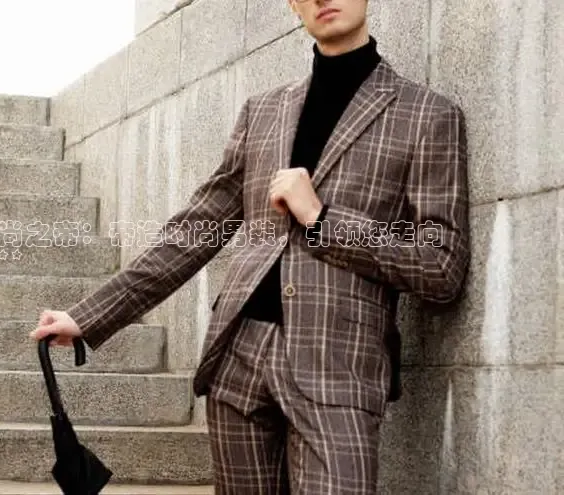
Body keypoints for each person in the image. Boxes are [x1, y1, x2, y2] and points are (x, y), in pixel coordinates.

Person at [30, 0, 470, 492]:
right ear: (293, 6)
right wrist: (89, 317)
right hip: (239, 359)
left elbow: (442, 264)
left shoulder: (427, 115)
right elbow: (195, 230)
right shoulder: (263, 111)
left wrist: (323, 220)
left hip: (339, 369)